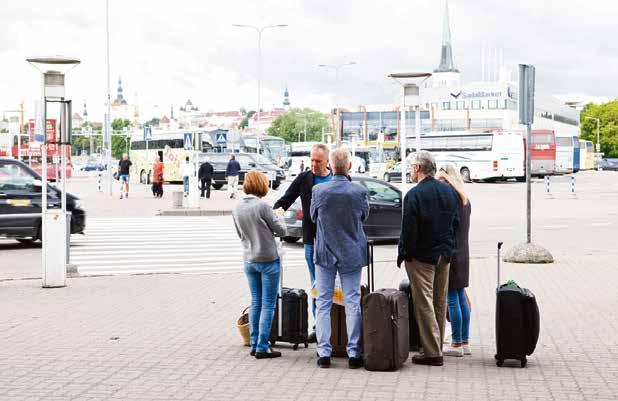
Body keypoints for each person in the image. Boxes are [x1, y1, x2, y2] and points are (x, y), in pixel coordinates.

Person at [397, 151, 459, 367]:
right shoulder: (449, 191)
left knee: (424, 304)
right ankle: (435, 346)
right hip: (444, 254)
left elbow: (409, 231)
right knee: (439, 303)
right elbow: (455, 225)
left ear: (417, 168)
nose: (409, 172)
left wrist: (405, 254)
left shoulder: (414, 195)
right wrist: (450, 249)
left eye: (410, 167)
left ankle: (432, 353)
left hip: (422, 257)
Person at [310, 147, 369, 369]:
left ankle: (324, 353)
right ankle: (354, 353)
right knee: (353, 302)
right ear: (350, 167)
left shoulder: (319, 191)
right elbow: (364, 215)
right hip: (352, 253)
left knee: (323, 303)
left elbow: (314, 217)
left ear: (330, 166)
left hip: (325, 254)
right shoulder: (359, 191)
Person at [273, 143, 332, 344]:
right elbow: (285, 200)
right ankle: (318, 328)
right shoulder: (305, 178)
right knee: (317, 284)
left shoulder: (337, 179)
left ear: (327, 162)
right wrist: (273, 215)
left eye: (318, 161)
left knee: (336, 286)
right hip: (312, 240)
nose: (314, 164)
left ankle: (336, 326)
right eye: (312, 160)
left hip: (334, 242)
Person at [232, 171, 287, 359]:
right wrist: (278, 216)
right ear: (261, 185)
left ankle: (254, 344)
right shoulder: (263, 206)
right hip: (269, 260)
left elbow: (240, 235)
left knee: (255, 302)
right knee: (268, 304)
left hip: (249, 260)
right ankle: (263, 347)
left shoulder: (237, 207)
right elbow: (281, 230)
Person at [437, 164, 472, 357]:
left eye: (442, 180)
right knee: (460, 297)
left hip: (451, 253)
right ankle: (464, 341)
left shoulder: (450, 199)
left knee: (452, 298)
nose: (439, 184)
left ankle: (456, 343)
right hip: (463, 253)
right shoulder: (465, 199)